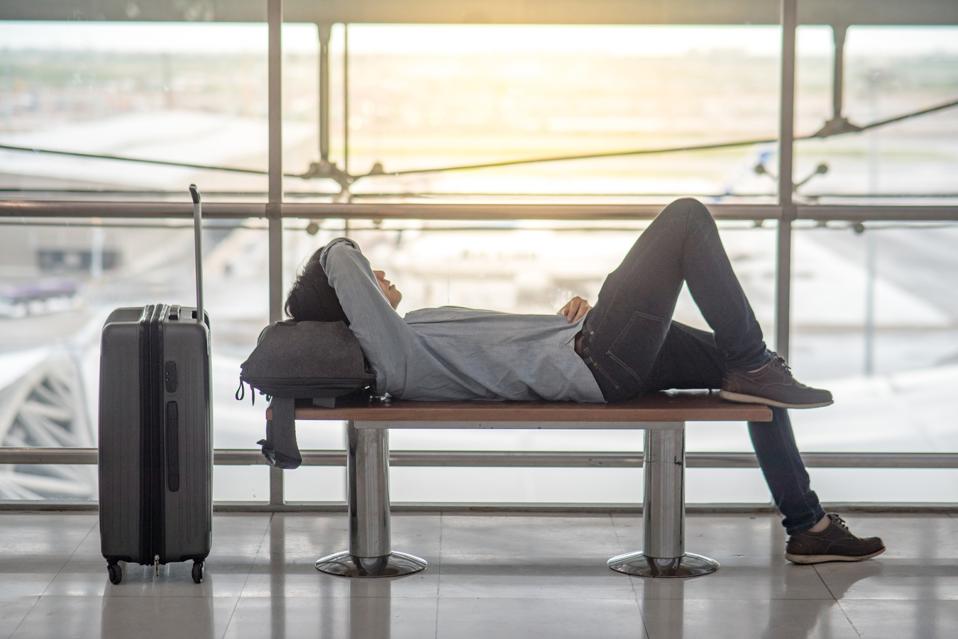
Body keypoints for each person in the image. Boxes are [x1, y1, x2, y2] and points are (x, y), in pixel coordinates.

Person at [284, 197, 885, 565]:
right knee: (686, 219)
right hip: (601, 363)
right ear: (349, 302)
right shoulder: (395, 357)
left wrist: (561, 317)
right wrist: (329, 255)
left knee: (751, 370)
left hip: (594, 343)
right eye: (370, 274)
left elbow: (510, 352)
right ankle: (754, 364)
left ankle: (810, 528)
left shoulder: (414, 326)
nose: (378, 272)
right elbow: (340, 258)